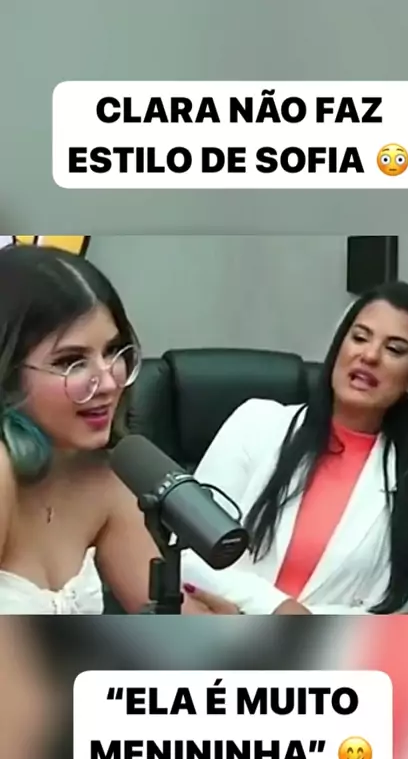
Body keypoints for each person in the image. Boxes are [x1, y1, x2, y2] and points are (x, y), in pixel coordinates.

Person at [0, 245, 305, 615]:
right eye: (71, 362)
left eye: (113, 352)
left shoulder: (102, 476)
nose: (109, 382)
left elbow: (170, 614)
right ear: (8, 374)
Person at [181, 281, 408, 615]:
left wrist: (298, 627)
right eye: (360, 337)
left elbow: (392, 608)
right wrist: (277, 609)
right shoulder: (256, 423)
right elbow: (187, 551)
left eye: (394, 349)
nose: (369, 355)